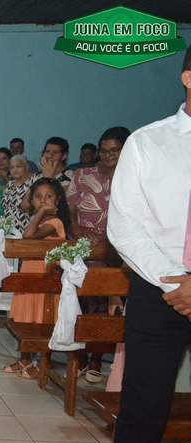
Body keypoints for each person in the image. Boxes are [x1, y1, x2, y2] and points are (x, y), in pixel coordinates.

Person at [106, 46, 191, 443]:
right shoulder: (147, 142)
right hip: (160, 291)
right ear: (188, 78)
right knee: (143, 411)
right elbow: (124, 225)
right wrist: (176, 279)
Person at [66, 127, 130, 384]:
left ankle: (96, 358)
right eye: (104, 150)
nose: (108, 155)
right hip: (84, 246)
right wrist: (76, 230)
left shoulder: (132, 176)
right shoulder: (83, 175)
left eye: (114, 150)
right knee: (81, 301)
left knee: (105, 305)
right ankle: (79, 355)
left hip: (115, 250)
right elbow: (70, 208)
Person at [4, 178, 69, 379]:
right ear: (31, 200)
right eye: (38, 197)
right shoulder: (38, 220)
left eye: (48, 196)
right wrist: (38, 215)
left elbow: (29, 236)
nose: (43, 201)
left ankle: (43, 363)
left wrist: (40, 213)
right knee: (25, 317)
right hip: (30, 276)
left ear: (57, 200)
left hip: (45, 279)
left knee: (42, 319)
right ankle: (24, 359)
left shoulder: (55, 222)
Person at [2, 154, 34, 233]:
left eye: (18, 166)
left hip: (26, 228)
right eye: (12, 167)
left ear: (26, 167)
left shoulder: (32, 183)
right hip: (8, 229)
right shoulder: (9, 184)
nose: (15, 170)